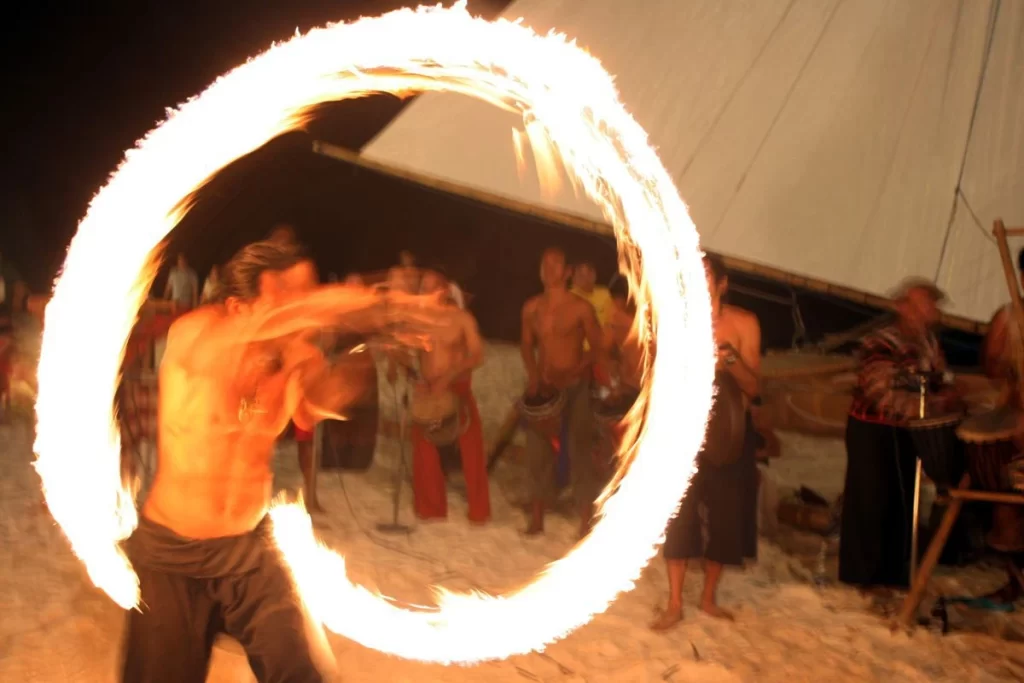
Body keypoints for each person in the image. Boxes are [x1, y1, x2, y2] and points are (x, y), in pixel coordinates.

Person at [119, 238, 447, 682]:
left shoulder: (291, 351)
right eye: (295, 293)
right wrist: (383, 302)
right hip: (172, 556)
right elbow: (289, 317)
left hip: (250, 552)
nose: (304, 306)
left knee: (307, 674)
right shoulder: (198, 333)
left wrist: (370, 354)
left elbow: (319, 403)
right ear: (243, 302)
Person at [652, 254, 761, 629]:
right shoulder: (678, 322)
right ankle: (674, 602)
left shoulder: (744, 323)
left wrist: (728, 359)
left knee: (724, 520)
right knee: (679, 517)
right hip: (685, 432)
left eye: (706, 274)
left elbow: (754, 387)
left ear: (722, 283)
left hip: (729, 435)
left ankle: (709, 597)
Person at [839, 277, 958, 591]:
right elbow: (880, 390)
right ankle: (862, 577)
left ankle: (893, 573)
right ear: (903, 307)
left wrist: (942, 398)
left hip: (907, 432)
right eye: (921, 305)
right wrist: (928, 406)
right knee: (870, 500)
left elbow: (942, 382)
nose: (927, 313)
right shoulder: (881, 342)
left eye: (930, 307)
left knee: (900, 501)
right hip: (873, 430)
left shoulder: (929, 344)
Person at [520, 247, 605, 537]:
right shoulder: (531, 307)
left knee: (579, 449)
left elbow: (598, 347)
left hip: (575, 385)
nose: (549, 268)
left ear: (567, 272)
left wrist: (575, 371)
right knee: (536, 449)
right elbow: (525, 345)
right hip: (544, 387)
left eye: (556, 263)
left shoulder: (581, 308)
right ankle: (536, 518)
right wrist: (533, 376)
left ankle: (585, 520)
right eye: (544, 263)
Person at [408, 270, 490, 523]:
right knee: (422, 445)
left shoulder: (462, 319)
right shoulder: (419, 320)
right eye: (422, 287)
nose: (425, 292)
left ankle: (479, 511)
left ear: (443, 291)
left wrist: (450, 376)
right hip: (430, 390)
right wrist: (417, 378)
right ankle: (431, 508)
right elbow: (413, 356)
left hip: (457, 387)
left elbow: (477, 355)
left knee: (471, 447)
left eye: (430, 287)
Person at [571, 260, 613, 331]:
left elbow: (613, 319)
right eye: (580, 275)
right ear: (573, 278)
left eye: (589, 273)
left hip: (603, 339)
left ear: (594, 275)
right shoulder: (569, 296)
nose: (586, 279)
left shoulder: (604, 293)